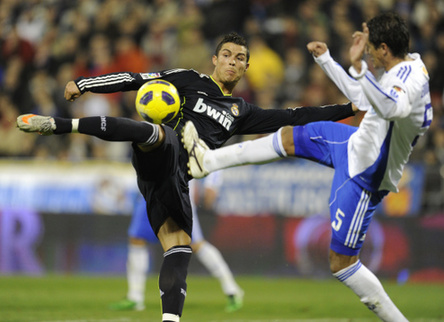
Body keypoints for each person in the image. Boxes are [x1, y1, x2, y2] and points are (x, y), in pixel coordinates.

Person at [16, 32, 355, 322]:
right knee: (160, 136)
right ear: (215, 59)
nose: (233, 62)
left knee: (179, 248)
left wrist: (350, 108)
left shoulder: (241, 111)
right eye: (227, 55)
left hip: (175, 183)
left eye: (240, 59)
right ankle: (61, 126)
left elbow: (296, 115)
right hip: (162, 155)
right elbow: (137, 80)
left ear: (246, 68)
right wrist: (86, 84)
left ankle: (170, 319)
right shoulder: (188, 79)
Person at [182, 13, 432, 321]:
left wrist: (359, 69)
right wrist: (327, 60)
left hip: (367, 171)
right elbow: (364, 100)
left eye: (369, 46)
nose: (365, 51)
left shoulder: (410, 78)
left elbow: (394, 107)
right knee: (288, 137)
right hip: (354, 142)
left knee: (342, 263)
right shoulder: (403, 67)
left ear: (383, 48)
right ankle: (207, 161)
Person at [109, 173, 244, 313]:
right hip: (152, 187)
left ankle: (232, 290)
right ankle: (135, 297)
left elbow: (205, 155)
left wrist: (212, 184)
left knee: (195, 243)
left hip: (178, 189)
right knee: (137, 239)